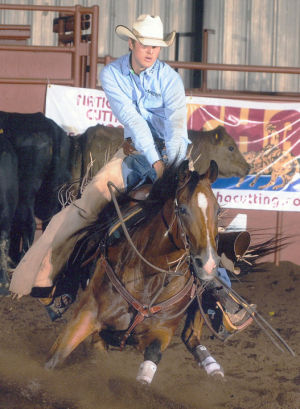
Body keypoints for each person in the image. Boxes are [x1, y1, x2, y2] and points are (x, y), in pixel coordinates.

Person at [9, 15, 253, 336]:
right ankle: (58, 282)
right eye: (146, 45)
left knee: (201, 219)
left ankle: (221, 298)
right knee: (84, 209)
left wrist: (173, 166)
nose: (151, 52)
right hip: (132, 157)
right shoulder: (112, 74)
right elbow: (133, 122)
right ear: (131, 44)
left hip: (174, 158)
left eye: (156, 46)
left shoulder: (170, 80)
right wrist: (154, 163)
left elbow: (178, 128)